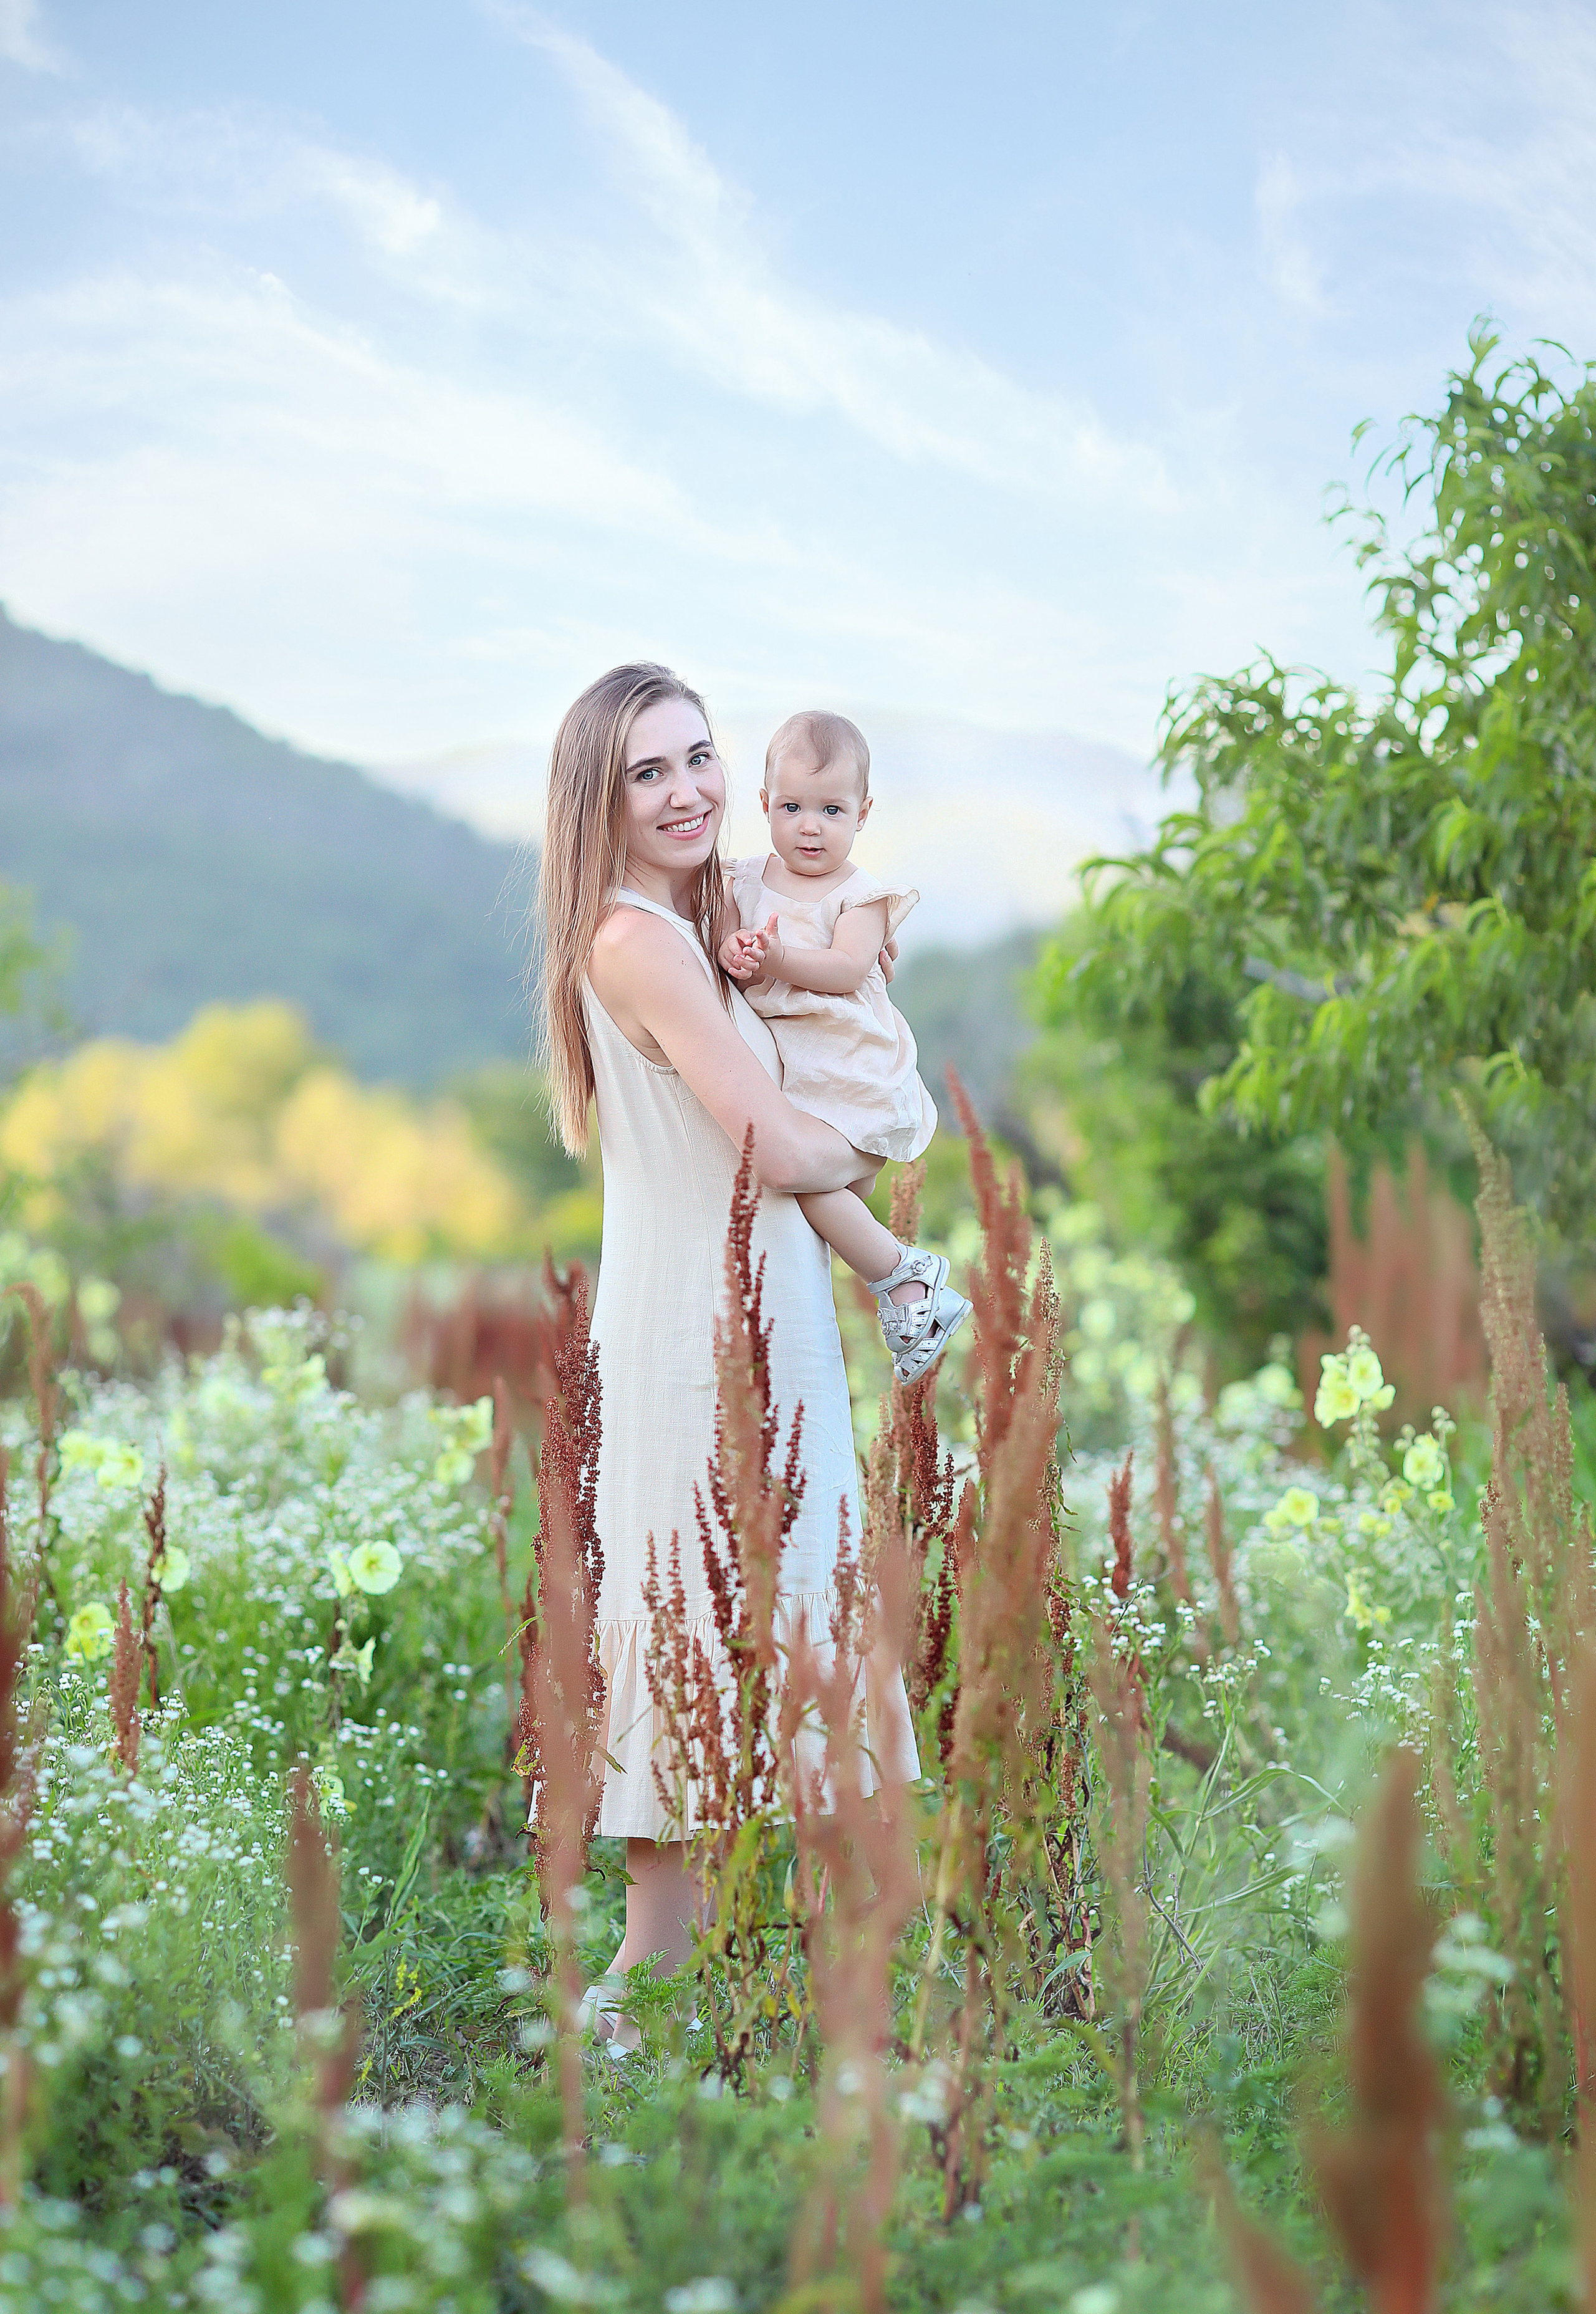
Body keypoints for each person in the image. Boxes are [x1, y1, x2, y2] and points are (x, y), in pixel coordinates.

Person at [535, 662, 920, 2048]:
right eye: (650, 771)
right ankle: (634, 2039)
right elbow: (774, 1136)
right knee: (700, 1618)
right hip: (700, 1335)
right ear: (602, 796)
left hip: (766, 1306)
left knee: (770, 1617)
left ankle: (781, 2027)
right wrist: (895, 1138)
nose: (689, 788)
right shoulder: (635, 938)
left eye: (700, 756)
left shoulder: (702, 920)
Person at [719, 709, 969, 1384]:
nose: (810, 825)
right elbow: (719, 942)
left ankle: (905, 1277)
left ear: (862, 814)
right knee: (826, 1199)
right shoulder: (740, 880)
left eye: (831, 809)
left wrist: (773, 958)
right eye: (794, 806)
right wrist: (733, 948)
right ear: (766, 804)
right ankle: (896, 1285)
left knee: (813, 1188)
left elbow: (845, 970)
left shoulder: (860, 897)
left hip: (849, 1064)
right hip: (800, 1067)